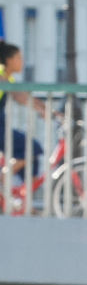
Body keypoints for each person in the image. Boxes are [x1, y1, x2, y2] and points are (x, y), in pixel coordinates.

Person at [0, 42, 46, 182]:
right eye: (19, 58)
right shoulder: (2, 74)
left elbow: (23, 95)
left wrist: (46, 109)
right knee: (32, 148)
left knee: (32, 160)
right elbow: (20, 96)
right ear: (8, 60)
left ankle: (26, 201)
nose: (22, 62)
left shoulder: (8, 77)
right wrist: (43, 110)